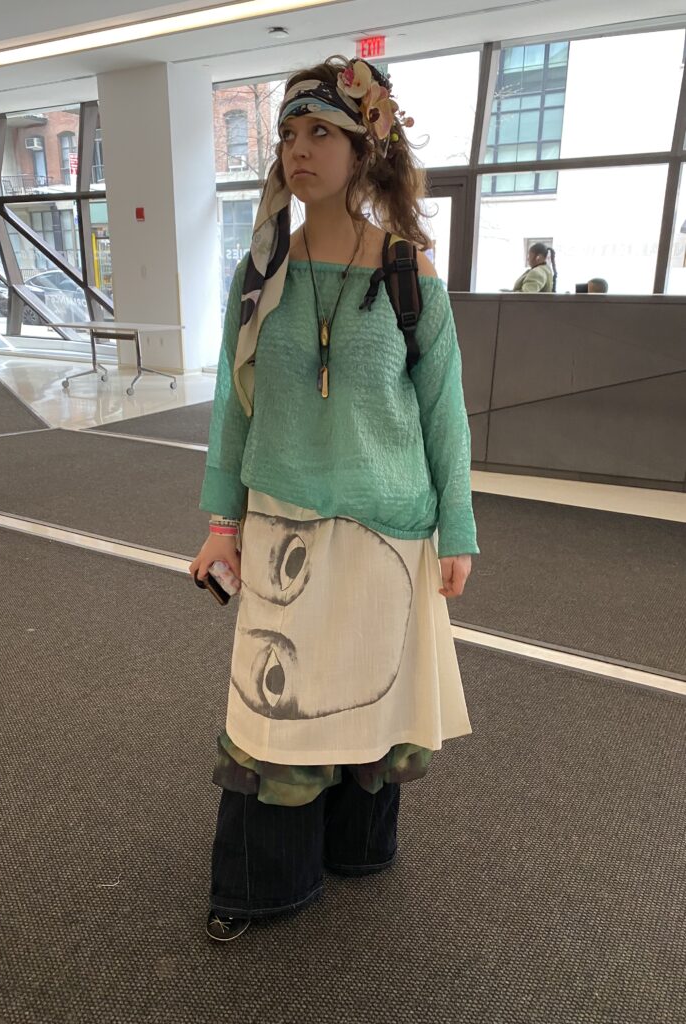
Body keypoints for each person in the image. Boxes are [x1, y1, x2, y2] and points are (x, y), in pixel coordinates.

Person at [189, 55, 479, 943]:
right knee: (272, 710)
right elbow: (232, 408)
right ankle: (260, 884)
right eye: (288, 133)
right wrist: (218, 522)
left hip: (387, 535)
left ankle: (356, 854)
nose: (298, 149)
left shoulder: (409, 276)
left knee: (367, 701)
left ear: (367, 149)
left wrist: (457, 532)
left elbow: (444, 416)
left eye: (322, 132)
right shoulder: (260, 270)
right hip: (283, 523)